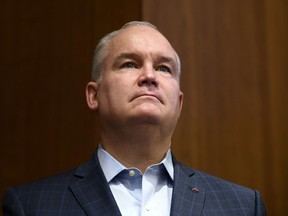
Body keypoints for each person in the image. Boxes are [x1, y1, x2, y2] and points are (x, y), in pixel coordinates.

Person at [2, 21, 266, 216]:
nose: (149, 76)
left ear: (179, 103)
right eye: (129, 64)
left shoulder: (243, 206)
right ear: (94, 95)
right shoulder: (30, 206)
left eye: (163, 68)